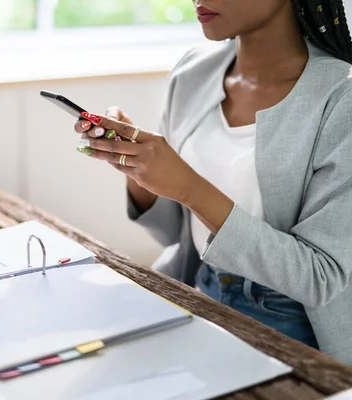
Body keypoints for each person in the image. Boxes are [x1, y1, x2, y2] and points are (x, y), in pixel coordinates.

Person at [74, 0, 352, 365]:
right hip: (198, 292)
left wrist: (189, 186)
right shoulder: (192, 71)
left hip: (293, 329)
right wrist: (137, 166)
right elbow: (178, 236)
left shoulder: (340, 97)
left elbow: (322, 278)